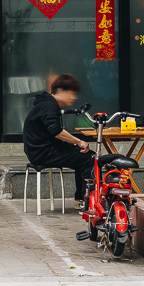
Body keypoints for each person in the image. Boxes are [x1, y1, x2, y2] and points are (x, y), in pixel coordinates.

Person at [22, 74, 95, 202]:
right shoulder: (50, 105)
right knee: (90, 158)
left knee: (84, 156)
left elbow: (50, 131)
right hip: (43, 152)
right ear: (60, 91)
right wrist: (78, 141)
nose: (74, 98)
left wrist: (72, 143)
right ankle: (88, 201)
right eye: (71, 94)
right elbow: (55, 131)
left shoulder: (47, 103)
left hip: (40, 150)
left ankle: (82, 199)